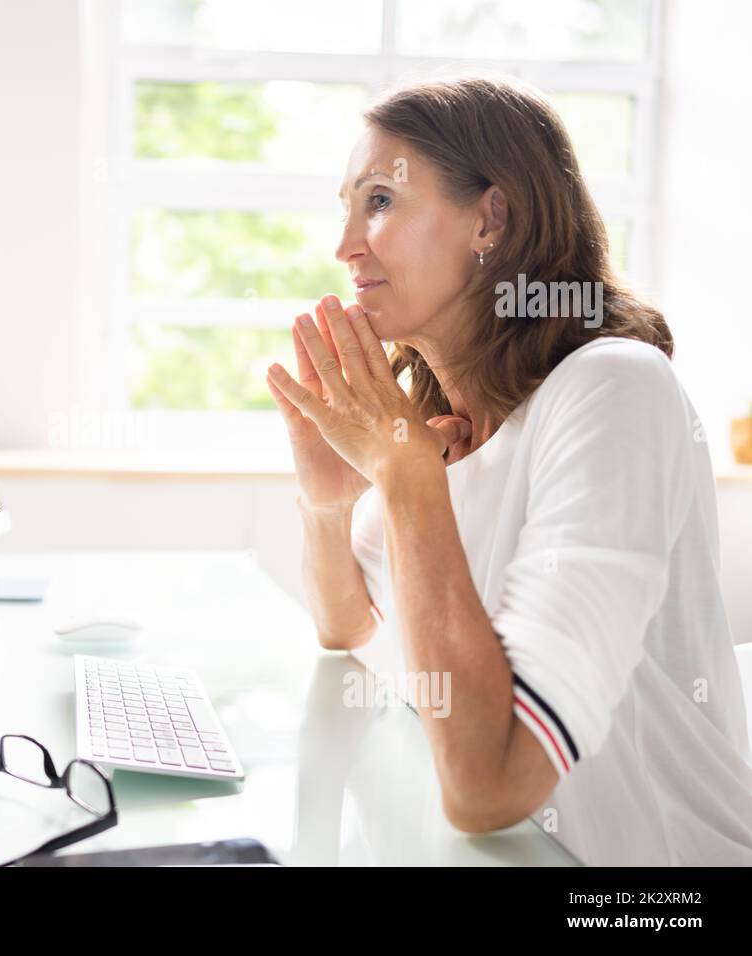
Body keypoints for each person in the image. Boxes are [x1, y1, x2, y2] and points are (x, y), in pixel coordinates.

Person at [267, 75, 752, 865]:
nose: (346, 245)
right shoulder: (434, 428)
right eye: (346, 209)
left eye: (381, 201)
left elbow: (486, 789)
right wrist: (330, 504)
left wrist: (403, 476)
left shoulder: (613, 388)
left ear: (491, 218)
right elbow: (350, 629)